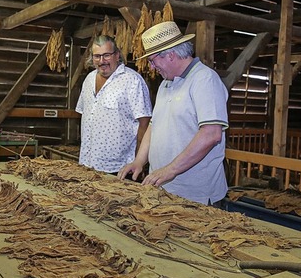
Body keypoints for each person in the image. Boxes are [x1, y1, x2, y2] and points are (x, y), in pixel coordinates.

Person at [118, 21, 229, 206]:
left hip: (195, 195)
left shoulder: (204, 79)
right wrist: (139, 161)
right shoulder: (165, 84)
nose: (152, 67)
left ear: (170, 55)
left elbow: (211, 134)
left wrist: (170, 170)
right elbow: (154, 125)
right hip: (162, 189)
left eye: (152, 60)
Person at [76, 35, 152, 174]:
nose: (101, 61)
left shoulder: (132, 80)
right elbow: (86, 115)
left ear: (117, 55)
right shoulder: (88, 79)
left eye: (106, 55)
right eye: (97, 56)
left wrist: (138, 162)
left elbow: (144, 123)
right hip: (87, 164)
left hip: (119, 168)